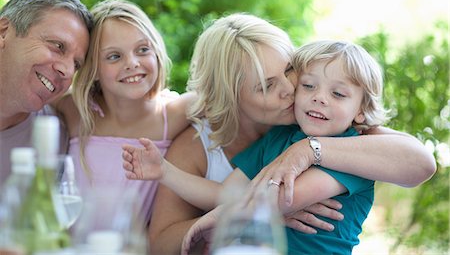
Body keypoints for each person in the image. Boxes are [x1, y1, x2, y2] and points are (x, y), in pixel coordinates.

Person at [140, 13, 435, 254]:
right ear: (233, 98)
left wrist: (309, 149)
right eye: (267, 85)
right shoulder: (274, 140)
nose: (290, 89)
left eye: (290, 71)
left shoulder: (347, 140)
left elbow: (277, 199)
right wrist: (165, 171)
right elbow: (228, 196)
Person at [176, 40, 389, 254]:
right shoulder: (277, 137)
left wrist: (223, 215)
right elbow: (225, 192)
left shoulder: (354, 152)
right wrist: (163, 171)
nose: (319, 98)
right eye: (308, 86)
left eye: (338, 94)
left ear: (361, 111)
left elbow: (287, 198)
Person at [54, 0, 193, 226]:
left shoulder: (173, 113)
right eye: (114, 56)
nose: (132, 63)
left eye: (143, 50)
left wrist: (275, 161)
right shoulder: (75, 110)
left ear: (156, 53)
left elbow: (234, 98)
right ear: (93, 69)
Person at [0, 0, 93, 185]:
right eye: (58, 46)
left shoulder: (56, 138)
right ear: (3, 31)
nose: (68, 71)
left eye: (76, 64)